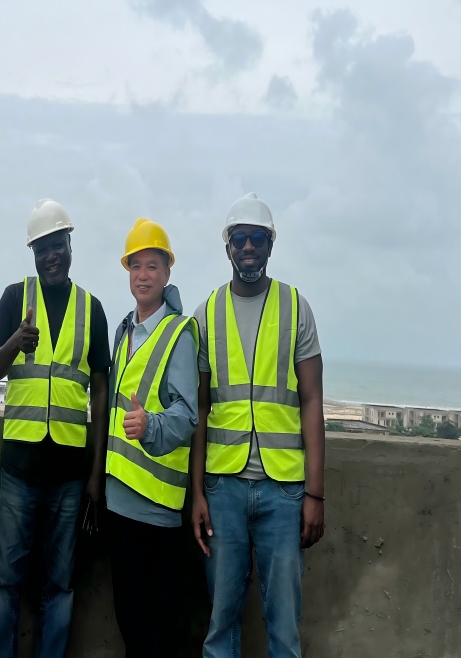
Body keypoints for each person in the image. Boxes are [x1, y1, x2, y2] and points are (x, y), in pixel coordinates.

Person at [190, 193, 325, 658]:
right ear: (228, 246)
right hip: (223, 488)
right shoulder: (206, 313)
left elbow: (312, 401)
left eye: (258, 238)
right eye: (240, 238)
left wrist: (315, 494)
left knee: (284, 629)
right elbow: (200, 409)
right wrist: (197, 494)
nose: (249, 246)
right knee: (220, 625)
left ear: (271, 244)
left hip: (283, 491)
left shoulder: (295, 307)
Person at [0, 199, 111, 658]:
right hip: (19, 472)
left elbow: (101, 392)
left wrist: (95, 475)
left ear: (70, 245)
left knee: (60, 585)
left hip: (69, 478)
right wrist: (15, 341)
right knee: (5, 582)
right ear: (33, 253)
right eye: (42, 249)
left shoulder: (92, 309)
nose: (50, 256)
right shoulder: (15, 297)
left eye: (57, 246)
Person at [105, 219, 199, 658]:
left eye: (152, 266)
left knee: (156, 632)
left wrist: (151, 427)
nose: (143, 275)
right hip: (118, 501)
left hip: (157, 510)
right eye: (136, 266)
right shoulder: (124, 331)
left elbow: (187, 413)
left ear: (167, 273)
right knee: (130, 622)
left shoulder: (179, 333)